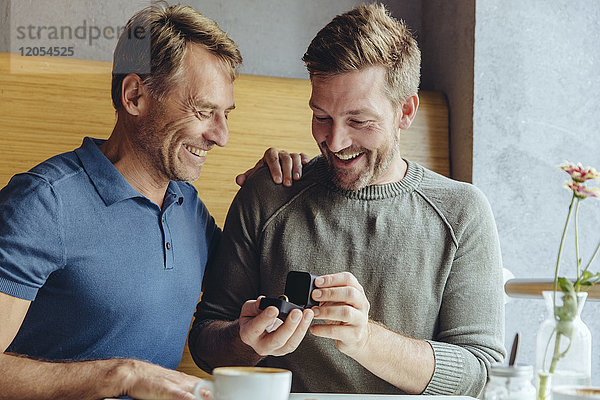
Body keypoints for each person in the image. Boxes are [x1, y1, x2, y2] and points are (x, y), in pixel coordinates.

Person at [190, 3, 506, 398]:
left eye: (359, 121)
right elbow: (206, 343)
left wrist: (366, 340)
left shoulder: (463, 213)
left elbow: (482, 371)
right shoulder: (269, 192)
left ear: (405, 111)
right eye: (321, 116)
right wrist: (246, 340)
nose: (335, 143)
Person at [0, 4, 304, 400]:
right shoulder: (42, 203)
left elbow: (225, 318)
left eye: (224, 114)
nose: (221, 136)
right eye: (203, 111)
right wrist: (122, 375)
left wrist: (270, 188)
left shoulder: (188, 207)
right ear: (134, 96)